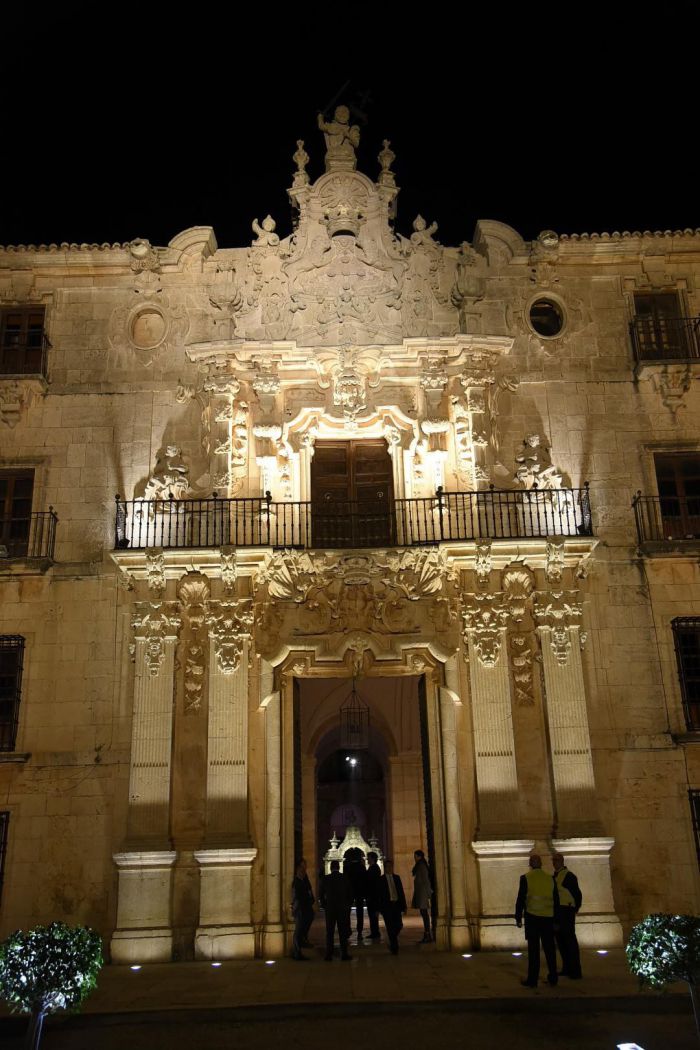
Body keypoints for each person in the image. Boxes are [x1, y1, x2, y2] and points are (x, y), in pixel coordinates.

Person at [515, 853, 559, 987]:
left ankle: (532, 980)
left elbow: (521, 899)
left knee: (533, 951)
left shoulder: (526, 878)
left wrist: (518, 917)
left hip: (532, 917)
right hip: (548, 918)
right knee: (550, 949)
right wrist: (556, 920)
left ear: (530, 864)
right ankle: (553, 977)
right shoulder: (550, 878)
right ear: (540, 864)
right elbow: (556, 901)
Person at [552, 852, 583, 979]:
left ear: (562, 861)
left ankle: (575, 971)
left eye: (557, 860)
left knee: (569, 941)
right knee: (561, 942)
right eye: (554, 860)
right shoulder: (555, 877)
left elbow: (577, 894)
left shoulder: (569, 876)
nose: (555, 862)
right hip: (558, 912)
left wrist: (574, 909)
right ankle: (566, 968)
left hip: (566, 912)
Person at [320, 859, 352, 961]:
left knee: (329, 932)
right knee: (342, 932)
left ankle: (329, 954)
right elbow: (350, 893)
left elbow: (321, 894)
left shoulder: (326, 879)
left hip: (330, 909)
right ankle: (344, 954)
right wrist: (348, 905)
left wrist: (325, 905)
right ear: (339, 867)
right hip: (342, 909)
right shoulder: (344, 878)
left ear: (330, 867)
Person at [378, 858, 407, 955]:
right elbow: (379, 895)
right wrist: (380, 908)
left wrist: (404, 906)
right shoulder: (381, 880)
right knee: (390, 927)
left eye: (391, 866)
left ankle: (392, 938)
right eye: (388, 867)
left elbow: (401, 892)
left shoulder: (397, 878)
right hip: (387, 906)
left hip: (397, 905)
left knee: (399, 925)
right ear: (385, 868)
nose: (390, 868)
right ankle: (394, 947)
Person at [291, 860, 314, 961]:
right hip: (300, 909)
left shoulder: (302, 881)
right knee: (298, 931)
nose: (304, 871)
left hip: (304, 908)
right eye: (302, 869)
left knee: (301, 928)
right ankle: (297, 952)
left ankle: (299, 948)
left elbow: (308, 891)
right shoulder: (297, 883)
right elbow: (298, 897)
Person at [344, 854, 368, 942]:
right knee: (360, 912)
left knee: (347, 911)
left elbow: (345, 880)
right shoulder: (362, 867)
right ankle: (360, 931)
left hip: (350, 892)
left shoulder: (347, 867)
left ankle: (347, 929)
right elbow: (365, 880)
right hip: (360, 892)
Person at [412, 849, 433, 943]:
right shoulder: (420, 865)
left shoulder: (421, 866)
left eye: (415, 856)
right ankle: (427, 934)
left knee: (424, 914)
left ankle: (427, 934)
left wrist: (429, 894)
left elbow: (425, 880)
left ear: (419, 856)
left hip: (423, 894)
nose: (414, 858)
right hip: (421, 893)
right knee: (423, 913)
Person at [365, 851, 382, 941]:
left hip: (373, 896)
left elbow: (371, 883)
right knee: (373, 915)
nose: (367, 859)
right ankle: (375, 932)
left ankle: (375, 932)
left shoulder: (373, 869)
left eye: (368, 858)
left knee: (373, 915)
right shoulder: (374, 868)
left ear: (372, 858)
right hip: (373, 895)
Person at [299, 857, 316, 948]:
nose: (305, 867)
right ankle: (302, 939)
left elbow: (308, 887)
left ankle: (304, 938)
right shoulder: (300, 876)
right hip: (303, 903)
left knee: (309, 917)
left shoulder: (304, 875)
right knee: (305, 919)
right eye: (303, 865)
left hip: (307, 902)